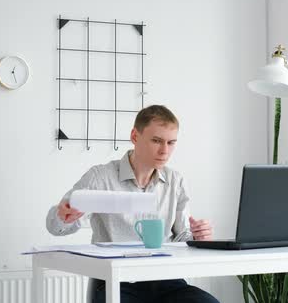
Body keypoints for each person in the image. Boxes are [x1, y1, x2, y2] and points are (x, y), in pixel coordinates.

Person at [46, 105, 219, 303]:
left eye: (171, 143)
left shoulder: (175, 181)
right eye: (156, 141)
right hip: (117, 281)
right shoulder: (100, 177)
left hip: (166, 279)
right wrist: (63, 217)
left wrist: (198, 236)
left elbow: (183, 237)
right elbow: (55, 227)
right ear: (135, 136)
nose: (165, 150)